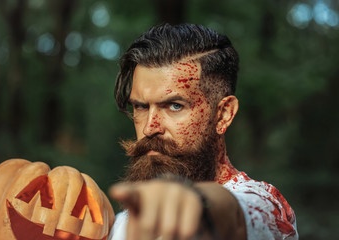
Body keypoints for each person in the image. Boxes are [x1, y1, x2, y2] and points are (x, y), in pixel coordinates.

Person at [108, 23, 298, 240]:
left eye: (175, 106)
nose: (149, 128)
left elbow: (231, 215)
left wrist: (203, 209)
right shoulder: (122, 223)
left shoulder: (263, 206)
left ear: (223, 114)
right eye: (141, 106)